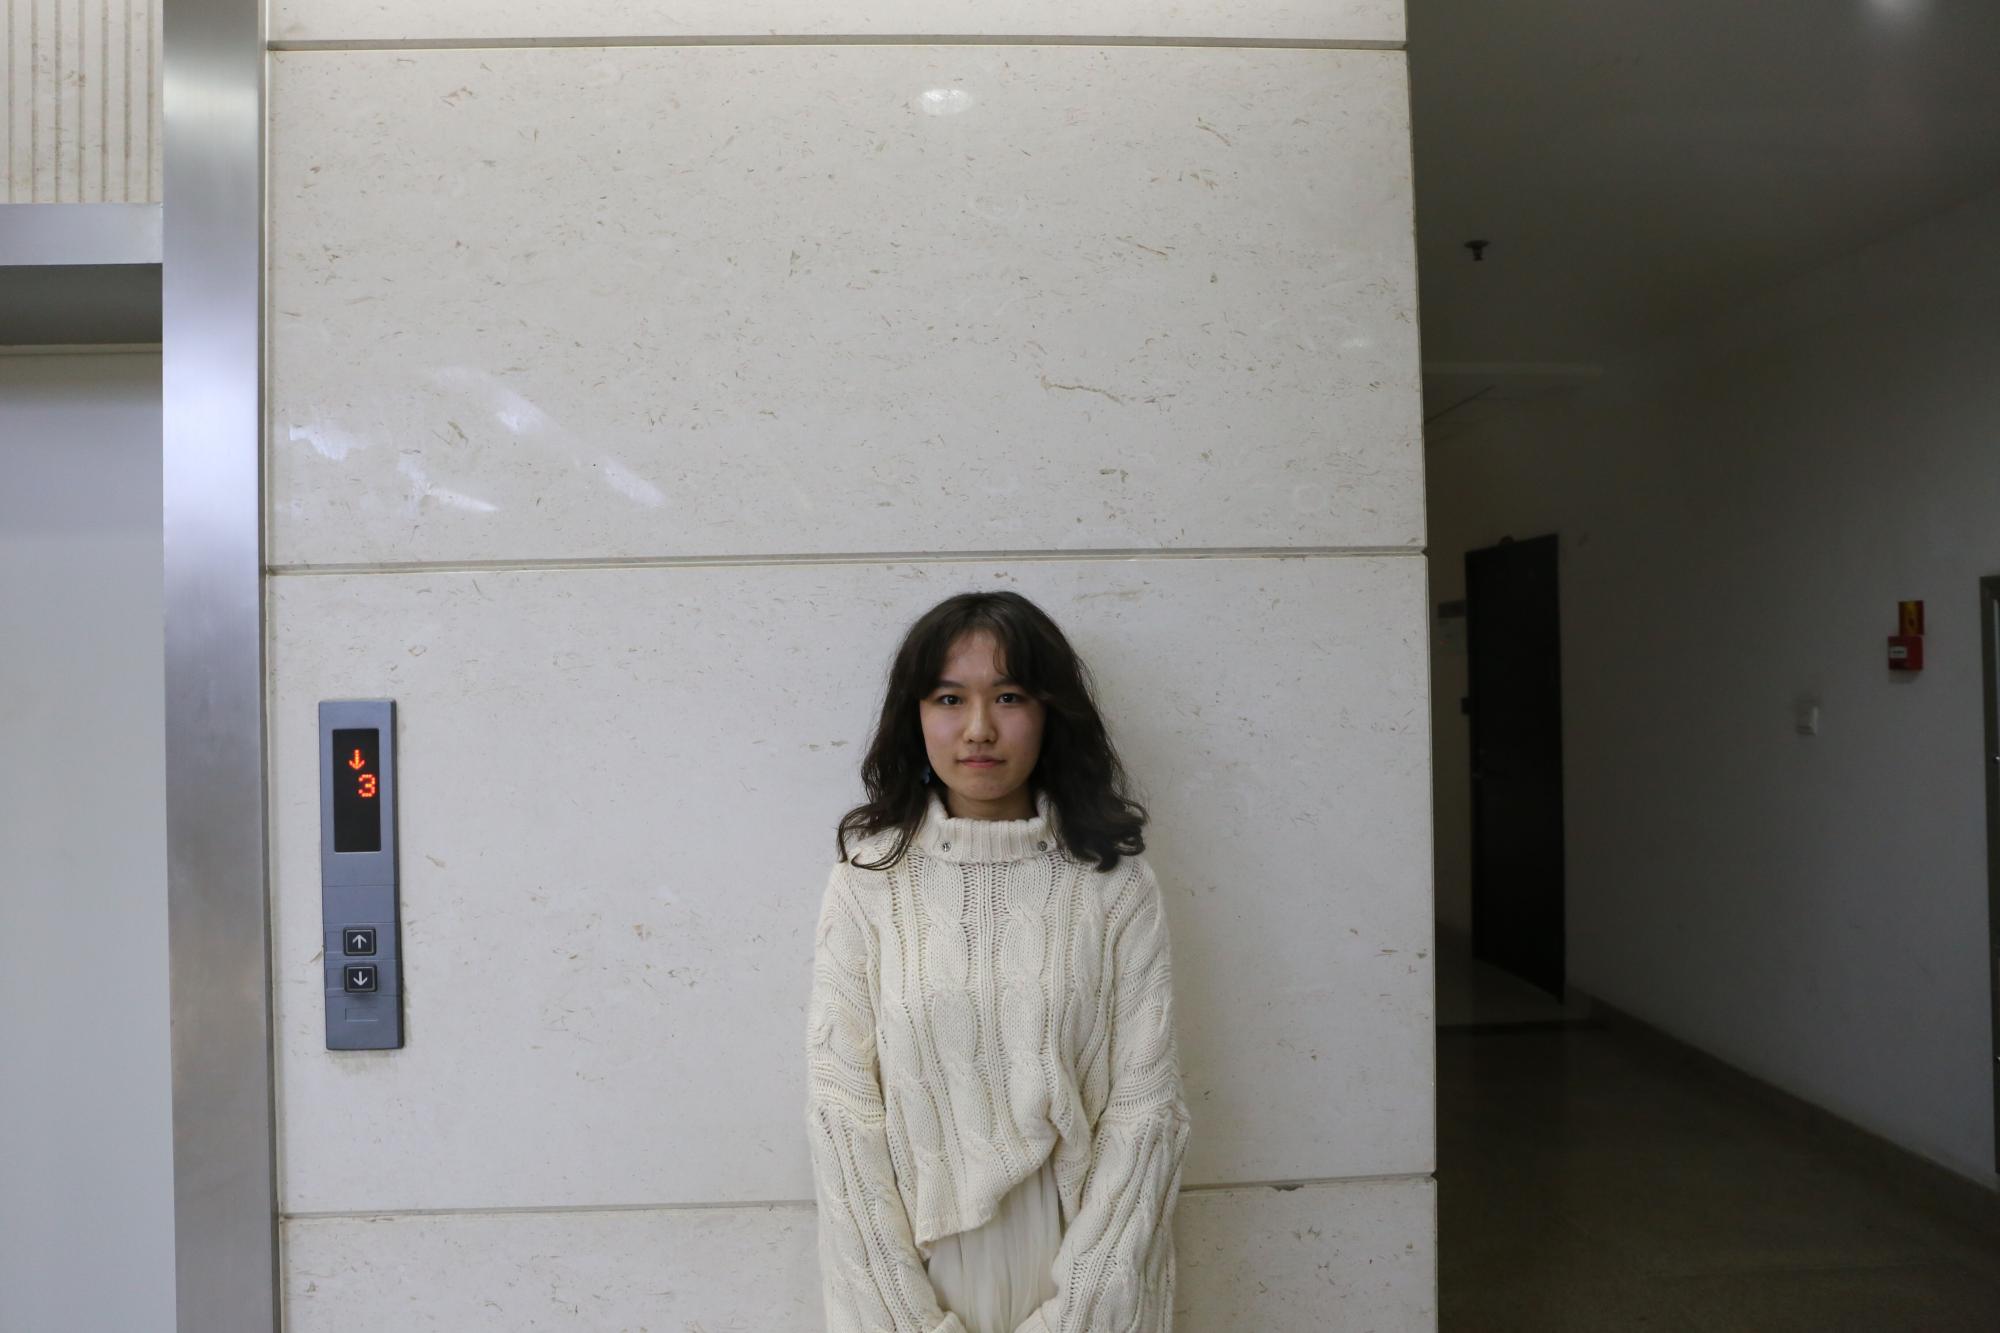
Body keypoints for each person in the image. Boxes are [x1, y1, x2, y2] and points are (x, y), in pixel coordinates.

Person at [804, 590, 1191, 1333]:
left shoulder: (1114, 886)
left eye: (1009, 696)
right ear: (916, 716)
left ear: (1050, 713)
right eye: (950, 698)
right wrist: (906, 1320)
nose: (979, 728)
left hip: (1081, 1271)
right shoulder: (868, 882)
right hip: (915, 1278)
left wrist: (1078, 1315)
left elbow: (1145, 1114)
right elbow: (841, 1115)